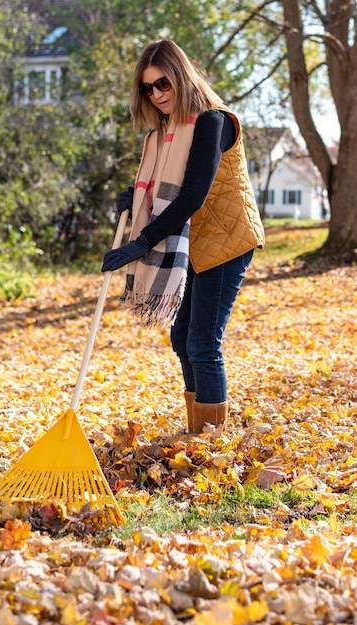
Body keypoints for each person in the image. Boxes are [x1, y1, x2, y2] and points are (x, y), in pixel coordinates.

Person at [102, 39, 265, 434]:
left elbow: (193, 192)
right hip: (193, 241)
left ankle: (211, 441)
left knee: (203, 344)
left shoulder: (213, 121)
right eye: (147, 88)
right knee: (181, 336)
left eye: (163, 84)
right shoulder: (168, 133)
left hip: (228, 240)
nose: (156, 94)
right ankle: (199, 431)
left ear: (181, 78)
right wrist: (136, 196)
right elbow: (165, 185)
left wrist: (142, 242)